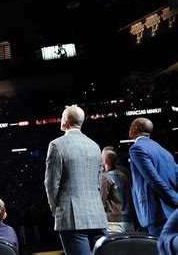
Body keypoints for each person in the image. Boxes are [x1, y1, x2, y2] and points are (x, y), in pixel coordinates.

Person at [44, 105, 107, 255]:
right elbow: (98, 183)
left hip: (71, 217)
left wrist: (56, 208)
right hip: (97, 215)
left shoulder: (57, 145)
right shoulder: (95, 146)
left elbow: (51, 183)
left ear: (65, 120)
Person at [128, 117, 178, 237]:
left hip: (156, 212)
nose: (129, 129)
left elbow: (154, 180)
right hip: (171, 211)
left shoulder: (137, 148)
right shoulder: (165, 151)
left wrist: (175, 199)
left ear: (135, 128)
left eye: (131, 126)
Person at [100, 149, 136, 233]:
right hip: (129, 219)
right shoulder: (124, 174)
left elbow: (101, 201)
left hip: (113, 222)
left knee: (113, 246)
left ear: (105, 160)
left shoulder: (105, 177)